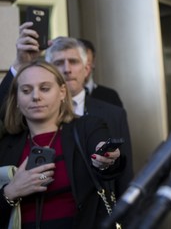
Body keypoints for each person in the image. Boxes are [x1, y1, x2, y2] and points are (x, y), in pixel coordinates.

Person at [0, 24, 134, 197]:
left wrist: (109, 160)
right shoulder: (22, 127)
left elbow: (122, 172)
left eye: (73, 61)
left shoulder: (108, 113)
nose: (67, 69)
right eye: (58, 63)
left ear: (86, 69)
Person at [0, 59, 123, 228]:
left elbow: (110, 167)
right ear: (17, 99)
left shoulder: (87, 128)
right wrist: (11, 191)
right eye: (26, 90)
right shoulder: (6, 144)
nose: (36, 96)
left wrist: (107, 159)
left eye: (45, 88)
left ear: (62, 92)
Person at [77, 38, 124, 108]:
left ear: (93, 63)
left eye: (87, 62)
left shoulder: (110, 96)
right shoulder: (61, 97)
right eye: (77, 62)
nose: (84, 68)